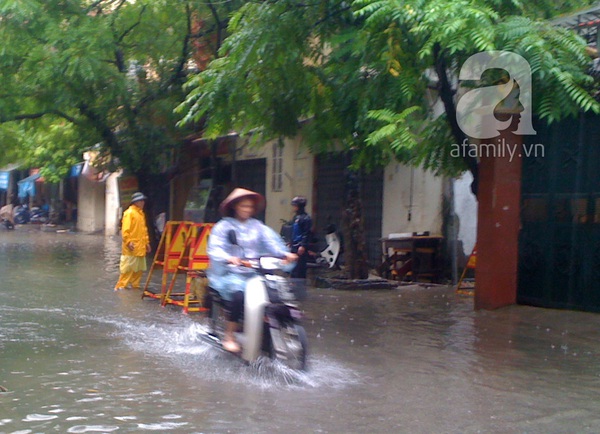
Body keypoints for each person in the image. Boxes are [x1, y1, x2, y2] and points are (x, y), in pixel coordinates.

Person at [207, 188, 297, 353]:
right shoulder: (223, 226)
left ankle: (264, 328)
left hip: (254, 273)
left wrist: (285, 254)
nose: (247, 209)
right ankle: (230, 335)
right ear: (235, 207)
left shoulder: (258, 226)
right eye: (243, 206)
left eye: (250, 206)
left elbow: (272, 243)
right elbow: (215, 248)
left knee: (274, 294)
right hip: (231, 274)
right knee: (238, 296)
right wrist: (229, 258)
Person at [114, 192, 151, 291]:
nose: (143, 202)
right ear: (136, 202)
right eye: (141, 201)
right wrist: (128, 242)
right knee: (127, 270)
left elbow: (144, 230)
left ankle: (135, 288)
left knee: (138, 270)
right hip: (132, 247)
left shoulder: (141, 214)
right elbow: (125, 230)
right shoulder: (129, 213)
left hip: (140, 247)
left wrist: (147, 243)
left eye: (143, 201)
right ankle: (121, 287)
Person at [289, 196, 312, 279]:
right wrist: (291, 242)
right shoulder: (296, 218)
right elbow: (294, 232)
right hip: (294, 245)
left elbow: (306, 233)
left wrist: (303, 245)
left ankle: (300, 286)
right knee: (293, 267)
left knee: (300, 268)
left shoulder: (306, 218)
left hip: (300, 247)